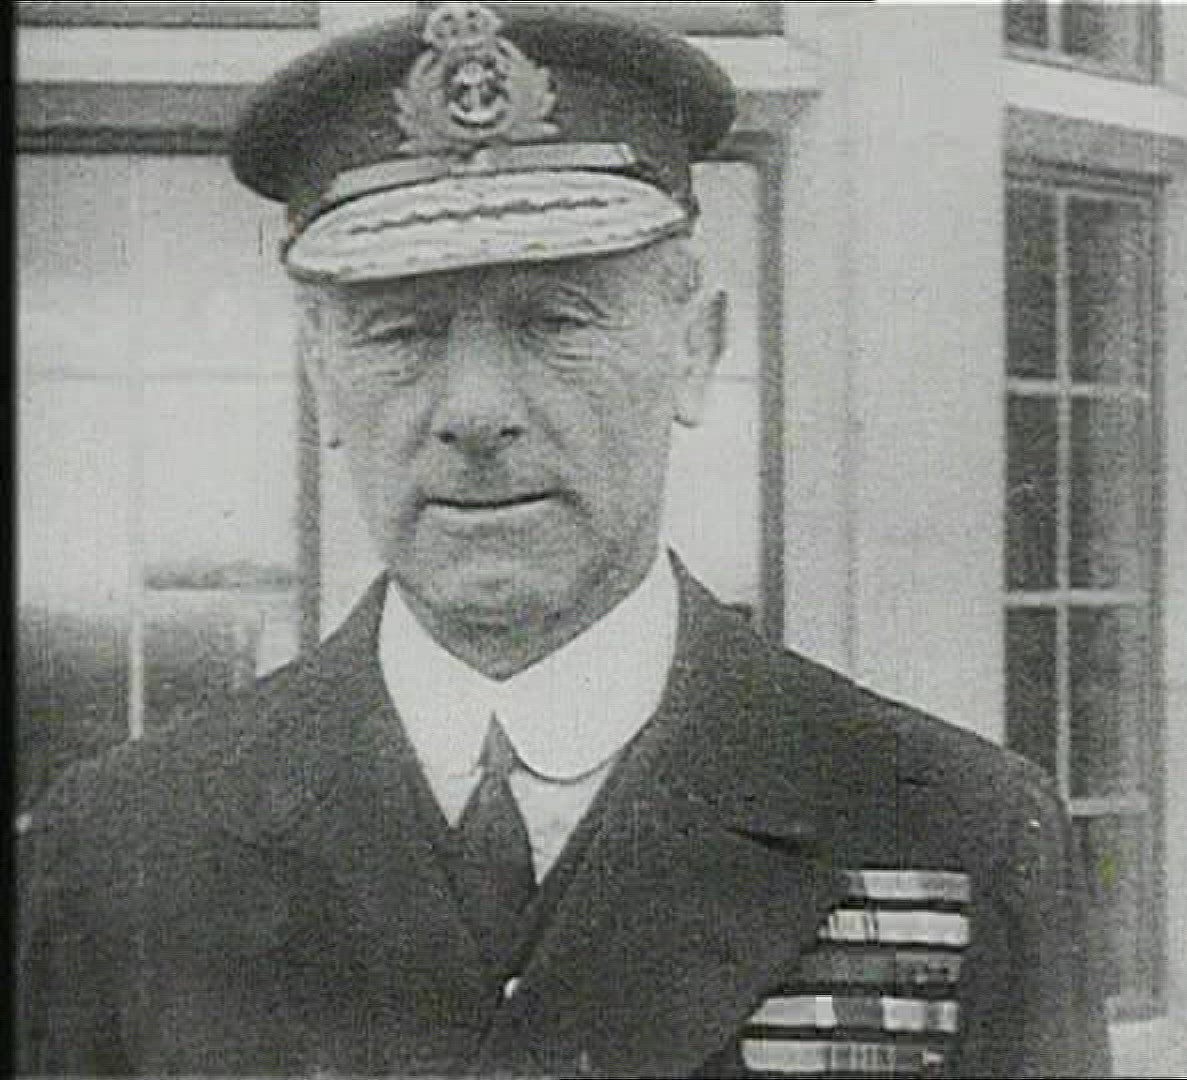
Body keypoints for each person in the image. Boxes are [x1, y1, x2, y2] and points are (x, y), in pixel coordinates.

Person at [17, 4, 1112, 1077]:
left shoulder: (952, 833)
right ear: (321, 375)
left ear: (694, 351)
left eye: (557, 322)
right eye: (401, 331)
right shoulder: (126, 856)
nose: (475, 410)